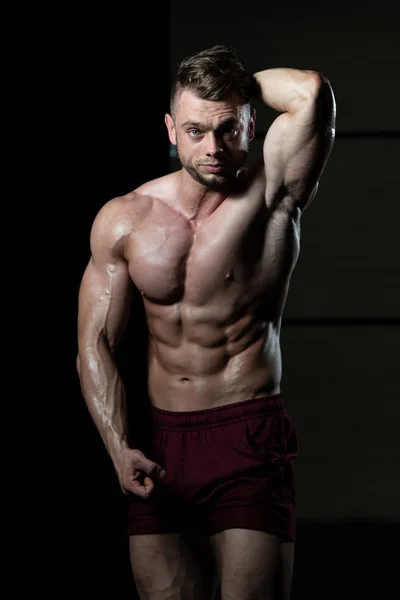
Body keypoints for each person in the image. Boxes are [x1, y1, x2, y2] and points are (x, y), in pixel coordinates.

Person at [76, 44, 335, 600]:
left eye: (228, 129)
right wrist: (119, 447)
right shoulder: (125, 219)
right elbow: (93, 343)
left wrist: (236, 86)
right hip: (160, 440)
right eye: (195, 131)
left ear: (250, 125)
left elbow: (310, 91)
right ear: (171, 130)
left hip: (247, 435)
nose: (212, 148)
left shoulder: (273, 196)